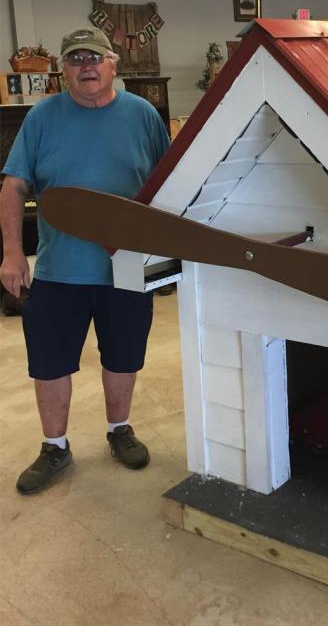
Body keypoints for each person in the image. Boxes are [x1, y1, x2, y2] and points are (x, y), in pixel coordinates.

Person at [0, 27, 170, 494]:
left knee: (123, 357)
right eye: (74, 59)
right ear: (63, 69)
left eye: (94, 58)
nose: (86, 66)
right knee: (49, 363)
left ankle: (120, 430)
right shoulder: (41, 117)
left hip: (128, 267)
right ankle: (54, 446)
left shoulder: (142, 115)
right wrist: (13, 253)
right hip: (59, 270)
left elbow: (169, 185)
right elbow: (14, 185)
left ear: (113, 64)